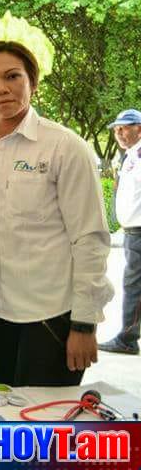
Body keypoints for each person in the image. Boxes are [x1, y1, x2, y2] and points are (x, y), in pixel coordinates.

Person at [0, 40, 113, 386]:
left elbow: (90, 239)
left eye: (13, 76)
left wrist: (85, 324)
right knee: (0, 421)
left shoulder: (64, 147)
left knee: (44, 430)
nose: (0, 89)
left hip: (51, 318)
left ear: (32, 82)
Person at [98, 108, 141, 355]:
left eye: (125, 127)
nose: (119, 133)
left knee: (134, 286)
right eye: (116, 129)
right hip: (132, 231)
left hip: (139, 232)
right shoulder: (131, 155)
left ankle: (127, 338)